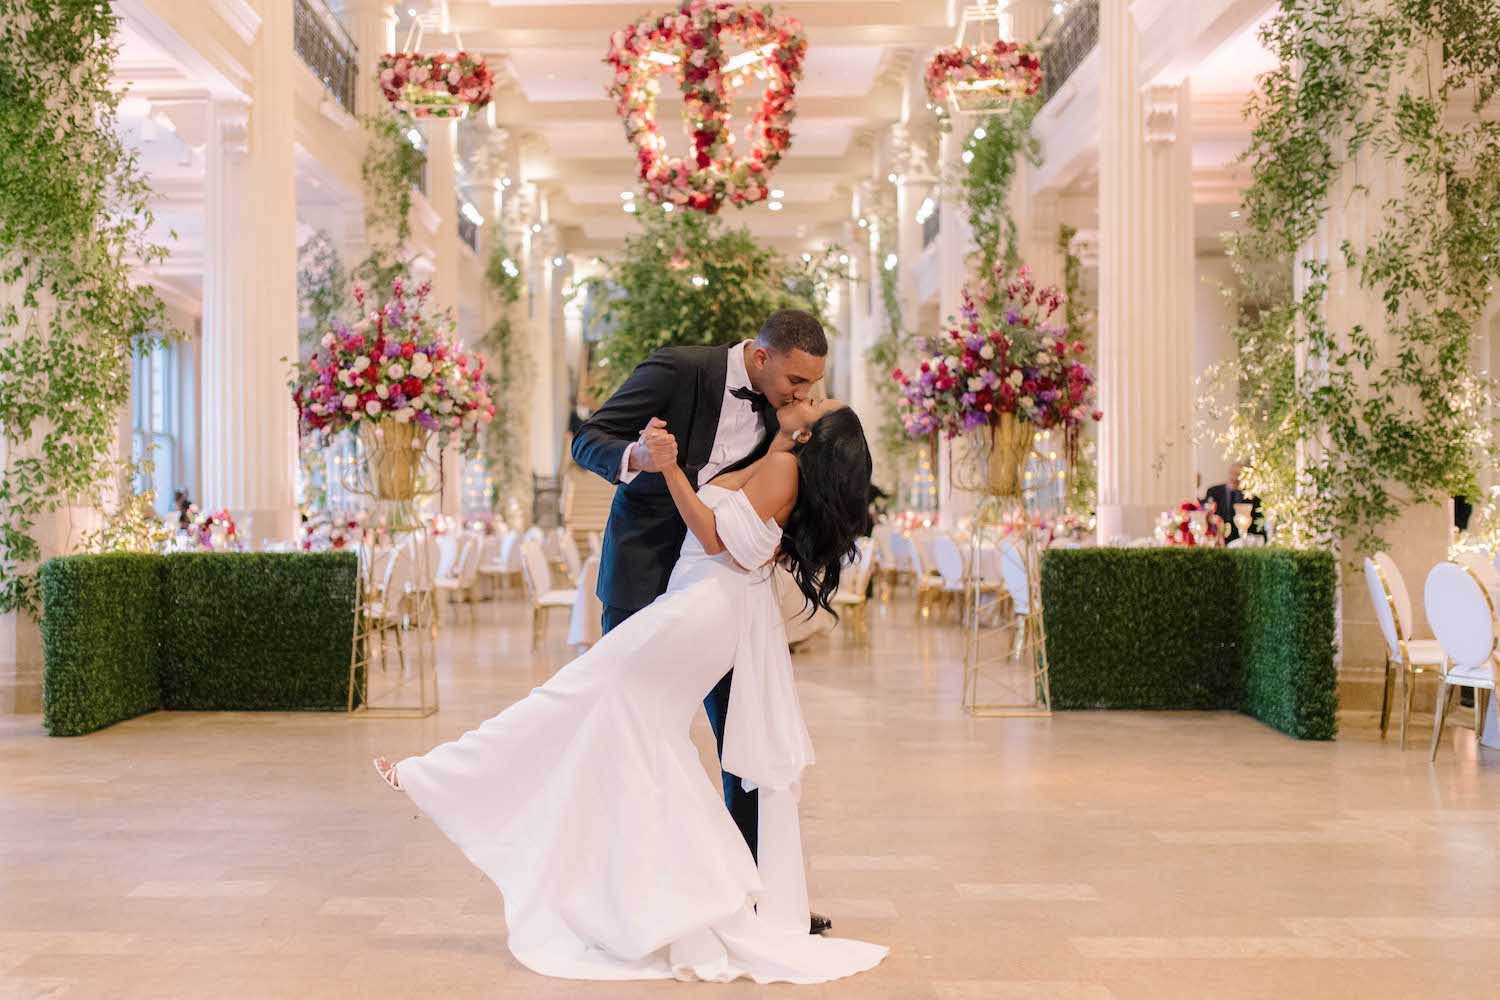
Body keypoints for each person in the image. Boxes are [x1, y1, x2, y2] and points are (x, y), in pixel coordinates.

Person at [372, 396, 887, 984]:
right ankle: (674, 894)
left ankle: (440, 775)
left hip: (700, 608)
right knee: (634, 731)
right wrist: (764, 447)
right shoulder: (779, 459)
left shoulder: (784, 469)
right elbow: (729, 505)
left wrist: (668, 468)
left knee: (578, 694)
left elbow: (716, 537)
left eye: (815, 403)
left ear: (814, 433)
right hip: (701, 609)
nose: (803, 398)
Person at [570, 310, 835, 935]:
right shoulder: (678, 366)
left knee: (744, 737)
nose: (803, 394)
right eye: (795, 380)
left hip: (722, 592)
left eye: (812, 384)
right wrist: (638, 452)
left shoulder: (786, 410)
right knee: (633, 733)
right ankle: (629, 889)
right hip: (644, 579)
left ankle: (754, 896)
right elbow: (589, 438)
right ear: (762, 357)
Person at [1203, 463, 1263, 544]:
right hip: (1218, 540)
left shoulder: (1252, 498)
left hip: (1241, 542)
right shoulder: (1213, 492)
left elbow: (1257, 524)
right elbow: (1207, 516)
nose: (1234, 478)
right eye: (1232, 473)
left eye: (1238, 475)